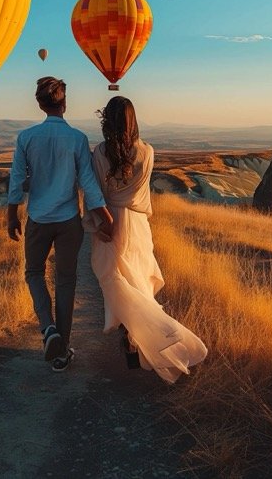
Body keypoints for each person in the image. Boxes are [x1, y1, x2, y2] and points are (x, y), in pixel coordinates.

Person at [85, 96, 207, 384]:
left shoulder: (99, 153)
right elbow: (141, 193)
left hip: (110, 222)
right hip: (137, 225)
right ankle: (142, 339)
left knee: (118, 283)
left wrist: (96, 222)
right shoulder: (148, 152)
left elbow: (96, 192)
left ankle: (143, 334)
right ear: (134, 120)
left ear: (107, 121)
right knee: (138, 284)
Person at [8, 77, 114, 372]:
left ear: (40, 104)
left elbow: (17, 178)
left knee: (33, 272)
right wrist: (105, 215)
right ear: (64, 104)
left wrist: (11, 214)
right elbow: (88, 182)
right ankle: (61, 351)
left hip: (38, 219)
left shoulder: (26, 138)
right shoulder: (78, 139)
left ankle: (48, 329)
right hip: (69, 221)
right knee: (66, 282)